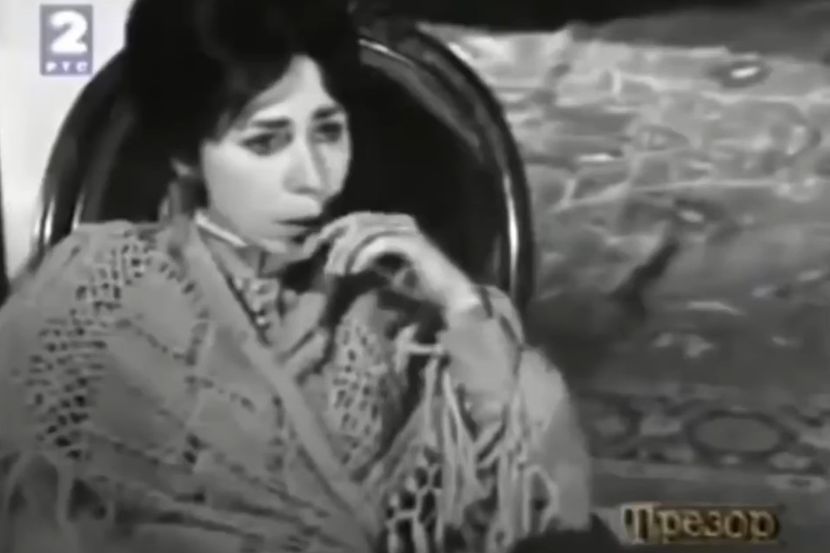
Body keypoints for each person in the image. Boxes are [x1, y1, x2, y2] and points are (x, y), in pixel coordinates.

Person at [0, 0, 599, 551]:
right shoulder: (96, 288)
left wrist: (461, 304)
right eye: (266, 142)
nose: (313, 179)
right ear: (186, 155)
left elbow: (534, 501)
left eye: (329, 131)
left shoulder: (395, 314)